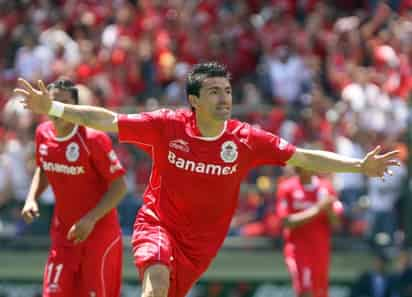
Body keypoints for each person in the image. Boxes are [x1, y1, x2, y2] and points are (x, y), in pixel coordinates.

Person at [15, 62, 399, 297]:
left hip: (202, 244)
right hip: (158, 223)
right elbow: (109, 120)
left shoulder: (246, 139)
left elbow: (303, 156)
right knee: (156, 283)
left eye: (227, 91)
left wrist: (358, 166)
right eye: (214, 92)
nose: (224, 98)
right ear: (194, 100)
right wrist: (54, 107)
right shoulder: (167, 126)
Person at [20, 79, 127, 297]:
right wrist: (31, 198)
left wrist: (90, 219)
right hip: (63, 235)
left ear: (75, 107)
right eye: (53, 101)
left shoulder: (94, 139)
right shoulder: (43, 133)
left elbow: (120, 187)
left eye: (65, 102)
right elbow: (43, 168)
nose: (59, 107)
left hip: (98, 235)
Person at [276, 167, 343, 297]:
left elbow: (336, 223)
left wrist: (328, 210)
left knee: (320, 293)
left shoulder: (326, 187)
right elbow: (286, 222)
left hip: (320, 250)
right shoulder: (287, 187)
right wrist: (318, 209)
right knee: (305, 292)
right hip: (298, 250)